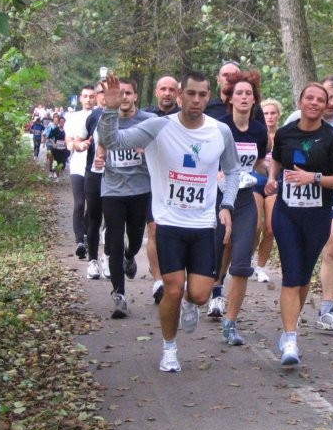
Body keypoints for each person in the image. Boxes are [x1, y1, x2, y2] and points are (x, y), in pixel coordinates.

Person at [98, 71, 240, 373]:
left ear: (208, 96)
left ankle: (190, 305)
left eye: (203, 95)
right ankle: (169, 348)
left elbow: (233, 170)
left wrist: (226, 203)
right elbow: (113, 141)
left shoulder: (220, 131)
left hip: (202, 224)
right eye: (191, 94)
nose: (197, 100)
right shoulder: (159, 127)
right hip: (169, 222)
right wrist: (110, 110)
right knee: (172, 289)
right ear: (179, 96)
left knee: (200, 294)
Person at [265, 82, 333, 367]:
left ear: (326, 106)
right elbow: (277, 159)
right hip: (287, 213)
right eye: (309, 98)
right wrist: (272, 179)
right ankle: (290, 339)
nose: (314, 103)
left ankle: (290, 330)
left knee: (302, 276)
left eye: (320, 100)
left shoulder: (332, 138)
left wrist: (312, 178)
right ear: (300, 101)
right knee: (291, 274)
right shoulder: (286, 133)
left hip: (318, 216)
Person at [285, 75, 333, 331]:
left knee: (332, 246)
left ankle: (327, 308)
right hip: (299, 197)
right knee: (303, 253)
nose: (332, 103)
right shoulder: (294, 120)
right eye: (330, 97)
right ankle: (291, 299)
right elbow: (280, 152)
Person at [208, 71, 268, 346]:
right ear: (230, 99)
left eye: (249, 94)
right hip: (217, 199)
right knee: (215, 256)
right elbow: (206, 162)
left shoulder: (258, 130)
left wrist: (264, 178)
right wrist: (217, 175)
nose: (244, 97)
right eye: (239, 93)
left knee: (242, 263)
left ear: (254, 100)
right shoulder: (219, 127)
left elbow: (257, 164)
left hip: (244, 199)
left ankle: (230, 323)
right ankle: (208, 292)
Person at [94, 78, 155, 316]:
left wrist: (147, 151)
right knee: (115, 241)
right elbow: (102, 147)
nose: (124, 97)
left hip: (141, 189)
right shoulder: (106, 120)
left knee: (136, 237)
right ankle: (118, 294)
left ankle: (131, 256)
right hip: (113, 189)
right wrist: (100, 158)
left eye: (128, 93)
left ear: (135, 96)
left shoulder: (148, 122)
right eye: (119, 94)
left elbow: (162, 149)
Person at [143, 75, 180, 303]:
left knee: (176, 233)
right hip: (151, 182)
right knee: (154, 230)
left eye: (171, 89)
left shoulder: (184, 118)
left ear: (178, 93)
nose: (167, 93)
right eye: (163, 89)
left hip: (179, 183)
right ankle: (158, 281)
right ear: (156, 92)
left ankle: (175, 279)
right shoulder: (146, 117)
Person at [76, 81, 109, 280]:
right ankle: (92, 261)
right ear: (96, 96)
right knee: (94, 219)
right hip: (94, 174)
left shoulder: (124, 116)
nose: (104, 96)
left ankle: (108, 257)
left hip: (116, 177)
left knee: (113, 221)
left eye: (108, 92)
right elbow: (79, 140)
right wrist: (83, 144)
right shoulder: (93, 117)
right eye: (100, 93)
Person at [252, 99, 283, 283]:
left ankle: (261, 267)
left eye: (273, 113)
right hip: (256, 182)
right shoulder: (256, 133)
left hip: (275, 185)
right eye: (266, 113)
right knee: (255, 227)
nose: (270, 117)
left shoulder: (283, 136)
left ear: (278, 115)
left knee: (270, 229)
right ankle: (248, 256)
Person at [65, 85, 96, 259]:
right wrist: (78, 145)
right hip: (77, 165)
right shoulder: (73, 117)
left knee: (92, 207)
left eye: (91, 96)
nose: (88, 99)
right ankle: (79, 242)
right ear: (80, 98)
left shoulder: (100, 115)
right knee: (78, 204)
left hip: (95, 167)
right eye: (85, 96)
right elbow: (69, 141)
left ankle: (85, 234)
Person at [205, 60, 266, 126]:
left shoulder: (253, 108)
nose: (229, 78)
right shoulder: (207, 107)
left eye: (234, 75)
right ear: (218, 80)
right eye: (225, 75)